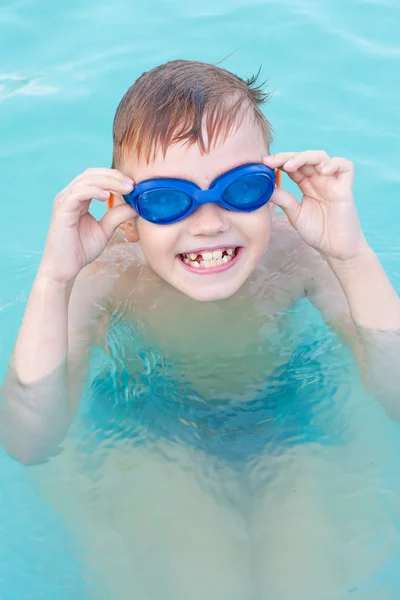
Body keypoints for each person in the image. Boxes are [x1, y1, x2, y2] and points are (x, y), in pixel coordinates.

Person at [1, 59, 399, 599]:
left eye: (241, 189)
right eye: (168, 199)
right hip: (149, 431)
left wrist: (350, 256)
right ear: (124, 207)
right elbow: (30, 440)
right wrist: (56, 277)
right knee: (200, 578)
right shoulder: (105, 274)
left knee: (308, 583)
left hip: (287, 427)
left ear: (273, 184)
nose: (209, 222)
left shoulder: (300, 254)